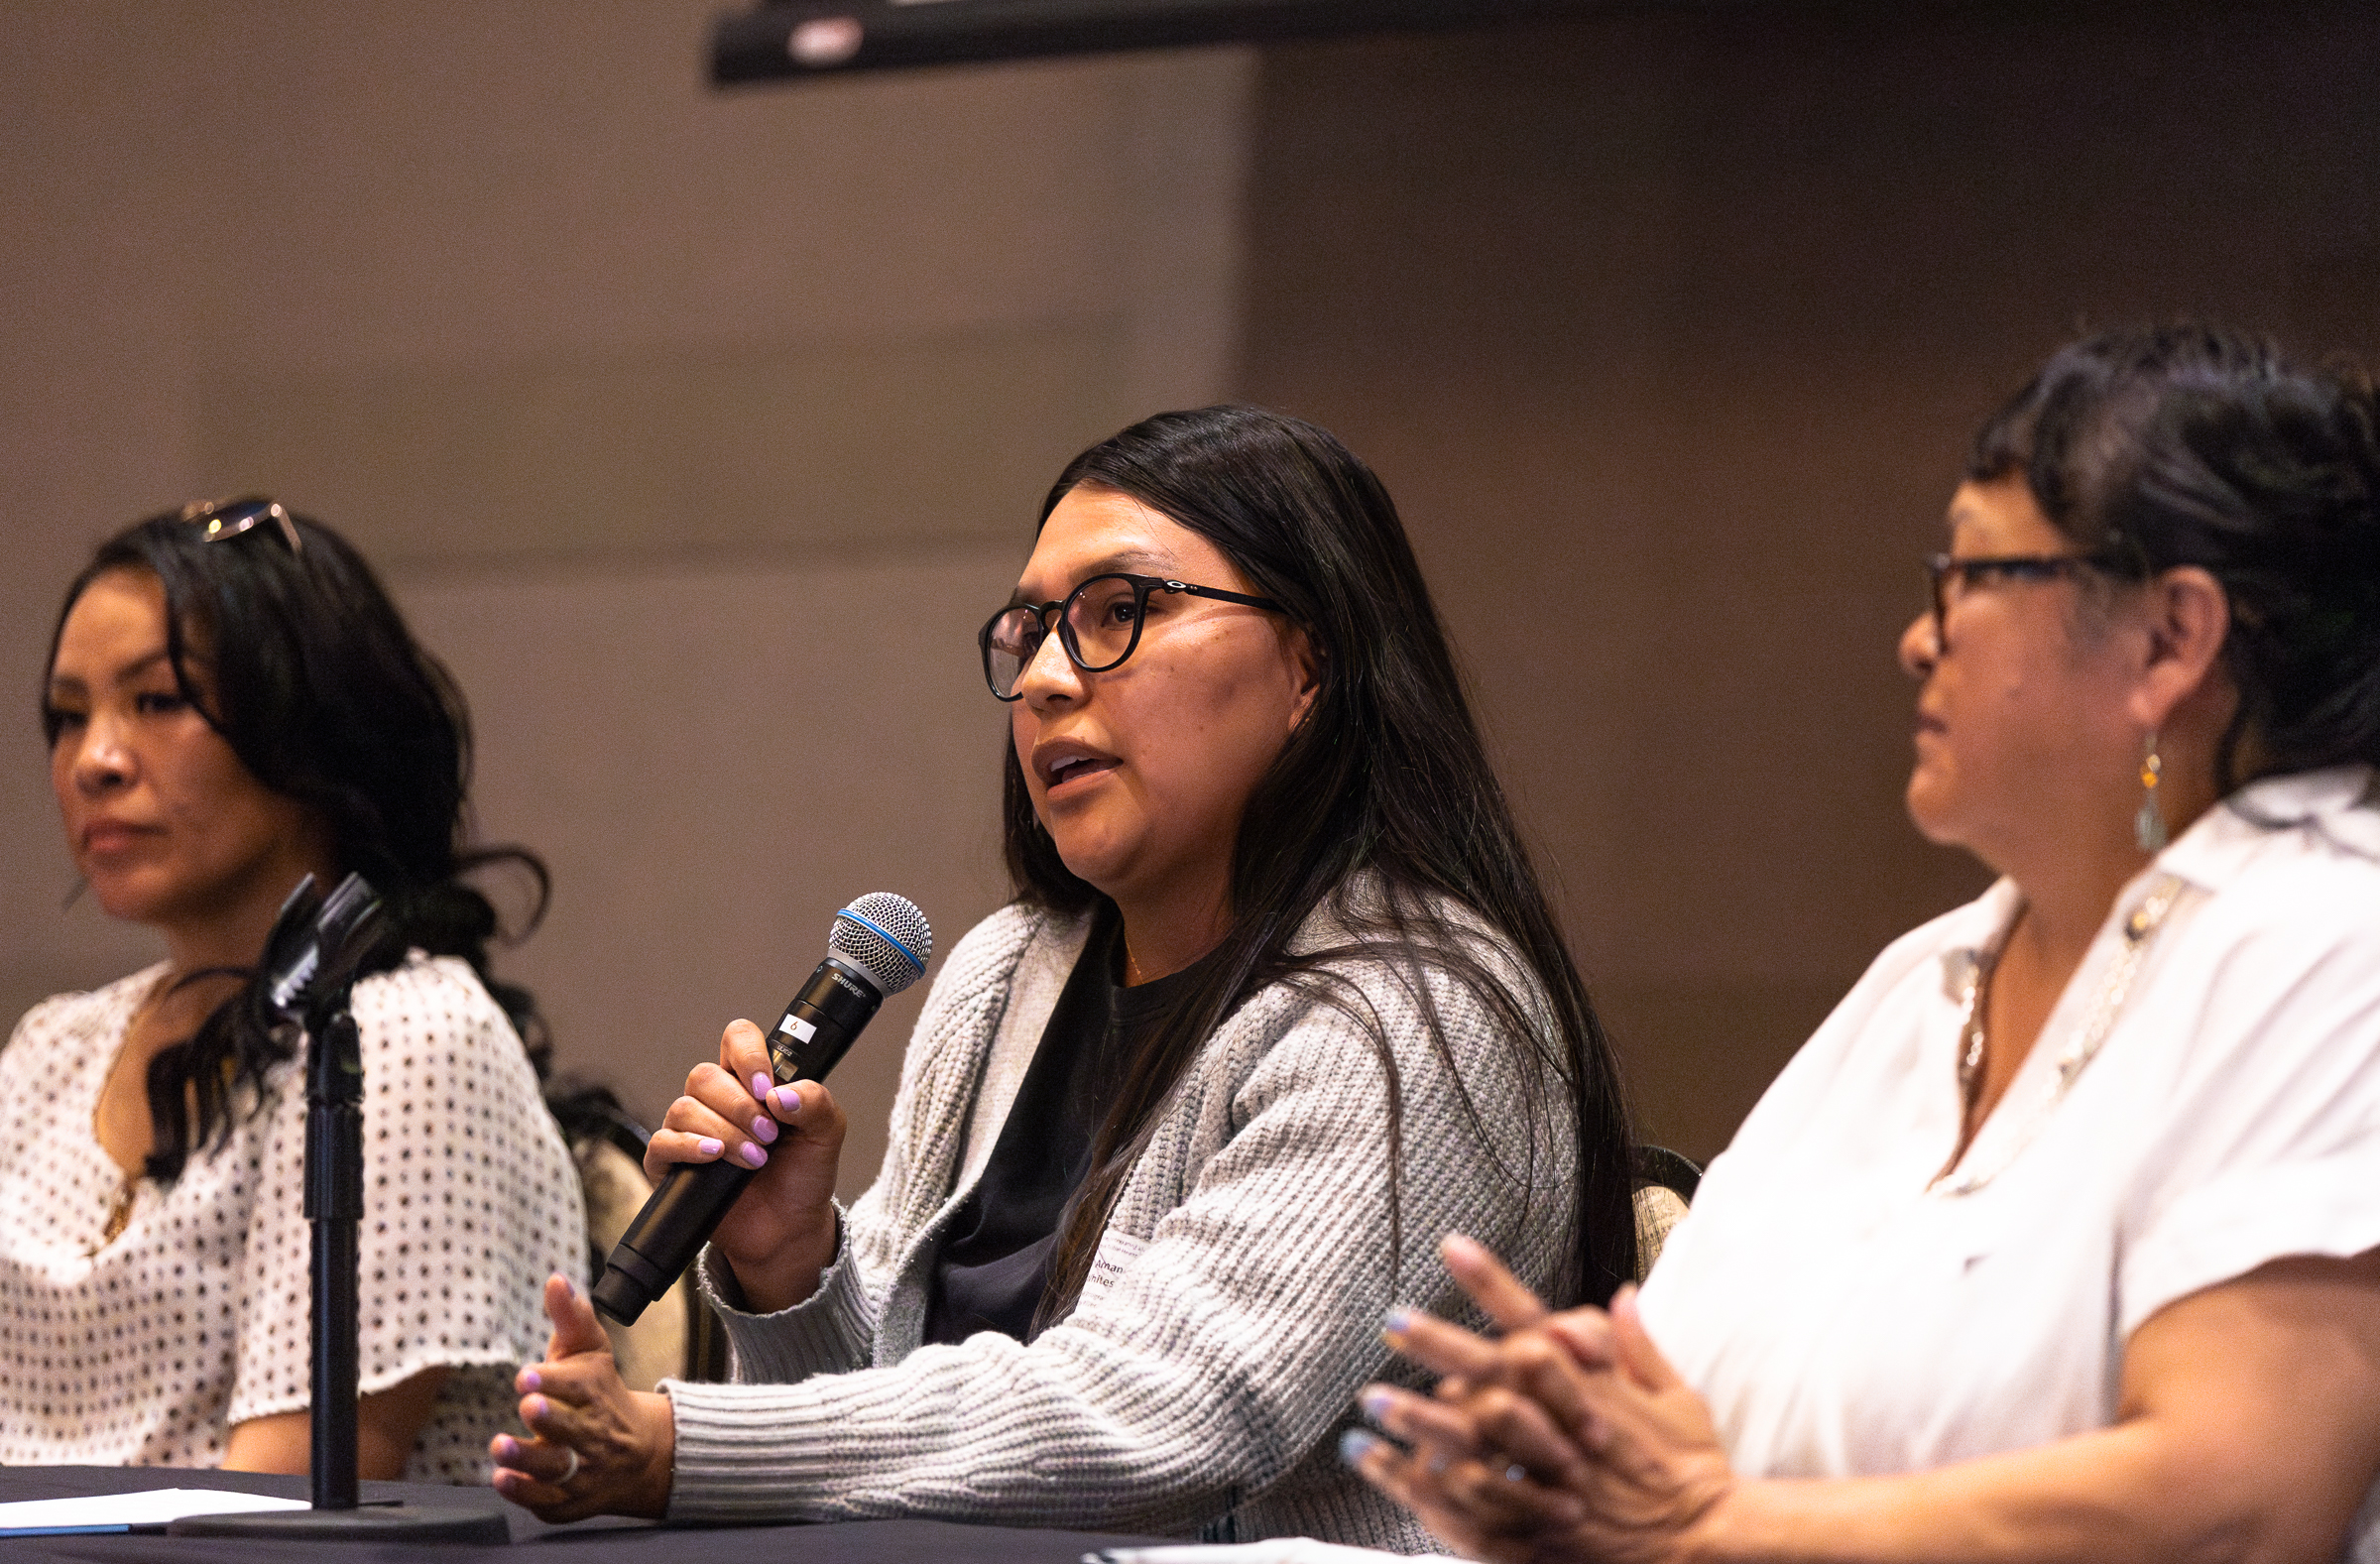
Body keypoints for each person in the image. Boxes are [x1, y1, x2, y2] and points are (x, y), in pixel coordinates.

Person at [487, 407, 1640, 1547]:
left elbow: (1169, 1412)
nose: (1044, 677)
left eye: (1118, 613)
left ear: (1309, 665)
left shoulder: (1420, 1013)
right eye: (1029, 630)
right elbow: (892, 1463)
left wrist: (685, 1450)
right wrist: (793, 1272)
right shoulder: (1007, 974)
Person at [1348, 323, 2380, 1563]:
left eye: (1975, 575)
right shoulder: (1927, 976)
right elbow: (1672, 1413)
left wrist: (1712, 1526)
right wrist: (1572, 1452)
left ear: (2170, 640)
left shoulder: (2331, 942)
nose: (1918, 635)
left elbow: (2246, 1504)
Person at [3, 499, 585, 1482]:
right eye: (68, 716)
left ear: (312, 728)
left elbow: (281, 1512)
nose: (94, 761)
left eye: (155, 701)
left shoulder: (407, 1037)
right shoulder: (55, 1046)